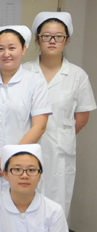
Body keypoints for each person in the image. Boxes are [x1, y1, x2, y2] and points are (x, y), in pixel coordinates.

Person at [0, 26, 51, 206]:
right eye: (0, 48)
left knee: (19, 214)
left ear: (23, 49)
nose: (6, 54)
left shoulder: (36, 82)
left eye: (12, 48)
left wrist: (11, 157)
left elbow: (39, 126)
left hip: (21, 165)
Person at [23, 12, 95, 217]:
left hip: (60, 153)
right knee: (24, 204)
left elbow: (82, 118)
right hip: (27, 148)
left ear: (67, 40)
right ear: (37, 40)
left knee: (56, 206)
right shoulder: (24, 71)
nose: (52, 41)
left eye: (59, 36)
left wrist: (60, 135)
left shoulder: (77, 75)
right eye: (46, 36)